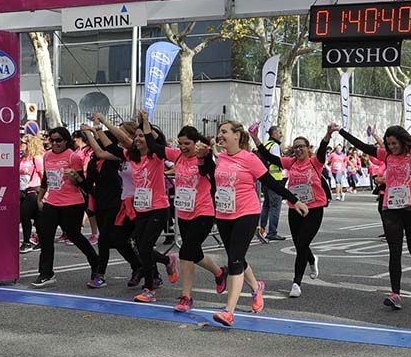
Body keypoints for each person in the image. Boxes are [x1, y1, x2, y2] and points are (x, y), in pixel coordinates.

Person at [335, 104, 411, 310]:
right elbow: (364, 146)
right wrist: (341, 131)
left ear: (402, 141)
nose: (391, 147)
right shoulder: (386, 156)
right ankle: (395, 294)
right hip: (391, 207)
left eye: (394, 143)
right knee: (394, 250)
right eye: (389, 144)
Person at [212, 121, 307, 326]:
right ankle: (256, 288)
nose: (220, 135)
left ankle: (229, 311)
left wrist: (295, 200)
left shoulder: (249, 159)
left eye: (224, 132)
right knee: (235, 257)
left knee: (234, 260)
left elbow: (271, 182)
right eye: (219, 132)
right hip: (224, 213)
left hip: (247, 213)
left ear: (237, 136)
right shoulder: (220, 159)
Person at [253, 125, 333, 298]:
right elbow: (268, 157)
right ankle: (311, 259)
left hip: (314, 208)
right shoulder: (291, 163)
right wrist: (255, 137)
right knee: (299, 244)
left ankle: (296, 283)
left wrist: (328, 134)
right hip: (294, 208)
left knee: (302, 243)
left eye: (301, 147)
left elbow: (322, 149)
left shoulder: (315, 162)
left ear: (308, 148)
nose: (298, 150)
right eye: (295, 147)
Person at [77, 119, 144, 289]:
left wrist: (96, 128)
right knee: (115, 240)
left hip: (120, 202)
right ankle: (141, 267)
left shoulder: (119, 156)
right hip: (102, 203)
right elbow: (96, 158)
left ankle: (101, 274)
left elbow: (102, 151)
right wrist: (77, 179)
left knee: (111, 239)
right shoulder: (94, 162)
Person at [30, 127, 100, 288]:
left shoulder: (73, 157)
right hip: (52, 203)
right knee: (46, 237)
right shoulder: (47, 156)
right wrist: (40, 198)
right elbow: (46, 180)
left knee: (74, 235)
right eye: (52, 140)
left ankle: (96, 264)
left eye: (58, 140)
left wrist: (74, 177)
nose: (55, 143)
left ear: (66, 141)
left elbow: (82, 183)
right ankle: (46, 273)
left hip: (72, 203)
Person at [170, 126, 228, 312]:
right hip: (184, 212)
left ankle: (186, 296)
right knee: (194, 253)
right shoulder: (178, 157)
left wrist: (203, 156)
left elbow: (206, 172)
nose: (183, 147)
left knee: (186, 251)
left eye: (187, 143)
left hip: (203, 212)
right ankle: (220, 272)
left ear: (196, 143)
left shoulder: (205, 157)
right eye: (180, 144)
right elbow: (153, 144)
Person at [128, 111, 179, 303]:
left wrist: (146, 122)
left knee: (145, 246)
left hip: (158, 208)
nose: (139, 139)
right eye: (137, 136)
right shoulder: (132, 156)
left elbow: (155, 142)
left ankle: (149, 288)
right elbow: (119, 140)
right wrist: (101, 126)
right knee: (140, 247)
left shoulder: (156, 156)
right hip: (141, 208)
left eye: (143, 136)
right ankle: (168, 260)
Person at [257, 125, 286, 241]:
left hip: (265, 178)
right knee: (275, 206)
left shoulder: (265, 144)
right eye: (279, 132)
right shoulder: (274, 146)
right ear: (273, 134)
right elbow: (277, 161)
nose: (281, 135)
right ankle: (272, 232)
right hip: (275, 179)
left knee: (267, 205)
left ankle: (261, 228)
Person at [19, 134, 44, 253]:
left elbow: (43, 175)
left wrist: (45, 193)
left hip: (34, 190)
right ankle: (41, 240)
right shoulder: (22, 158)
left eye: (22, 142)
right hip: (22, 191)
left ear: (29, 144)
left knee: (25, 216)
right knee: (36, 219)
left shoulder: (37, 158)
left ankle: (27, 242)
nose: (20, 144)